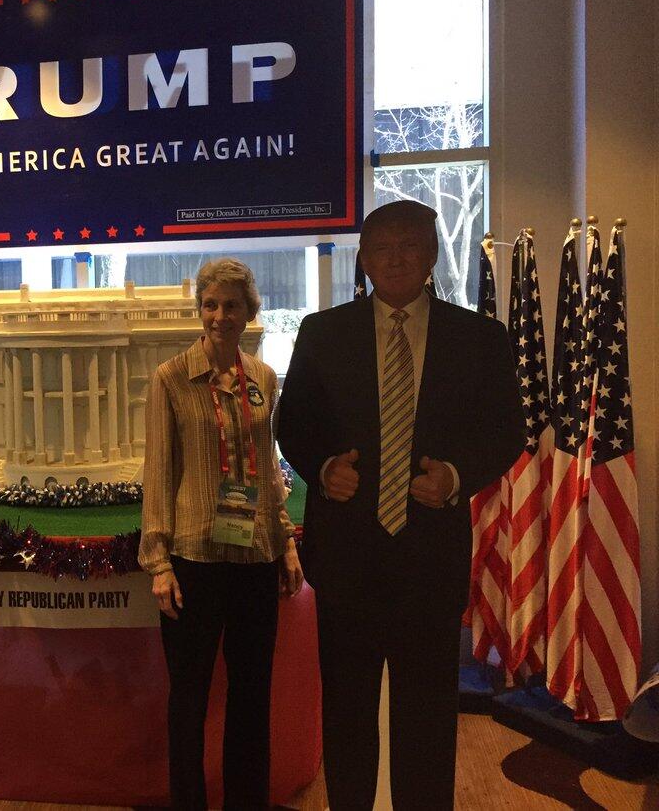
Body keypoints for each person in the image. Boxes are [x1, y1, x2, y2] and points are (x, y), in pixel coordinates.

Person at [277, 200, 524, 810]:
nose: (394, 257)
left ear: (432, 254)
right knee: (348, 715)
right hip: (346, 563)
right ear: (362, 257)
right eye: (381, 246)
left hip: (429, 561)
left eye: (409, 244)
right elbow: (294, 423)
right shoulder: (322, 332)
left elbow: (507, 429)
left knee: (428, 719)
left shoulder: (479, 338)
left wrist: (460, 476)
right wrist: (325, 467)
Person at [140, 258, 303, 810]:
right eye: (210, 304)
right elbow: (159, 473)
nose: (219, 316)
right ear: (199, 310)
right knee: (188, 699)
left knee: (252, 698)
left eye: (231, 305)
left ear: (249, 312)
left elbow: (269, 463)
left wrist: (284, 540)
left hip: (254, 558)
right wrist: (158, 562)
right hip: (194, 560)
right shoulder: (170, 379)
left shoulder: (263, 379)